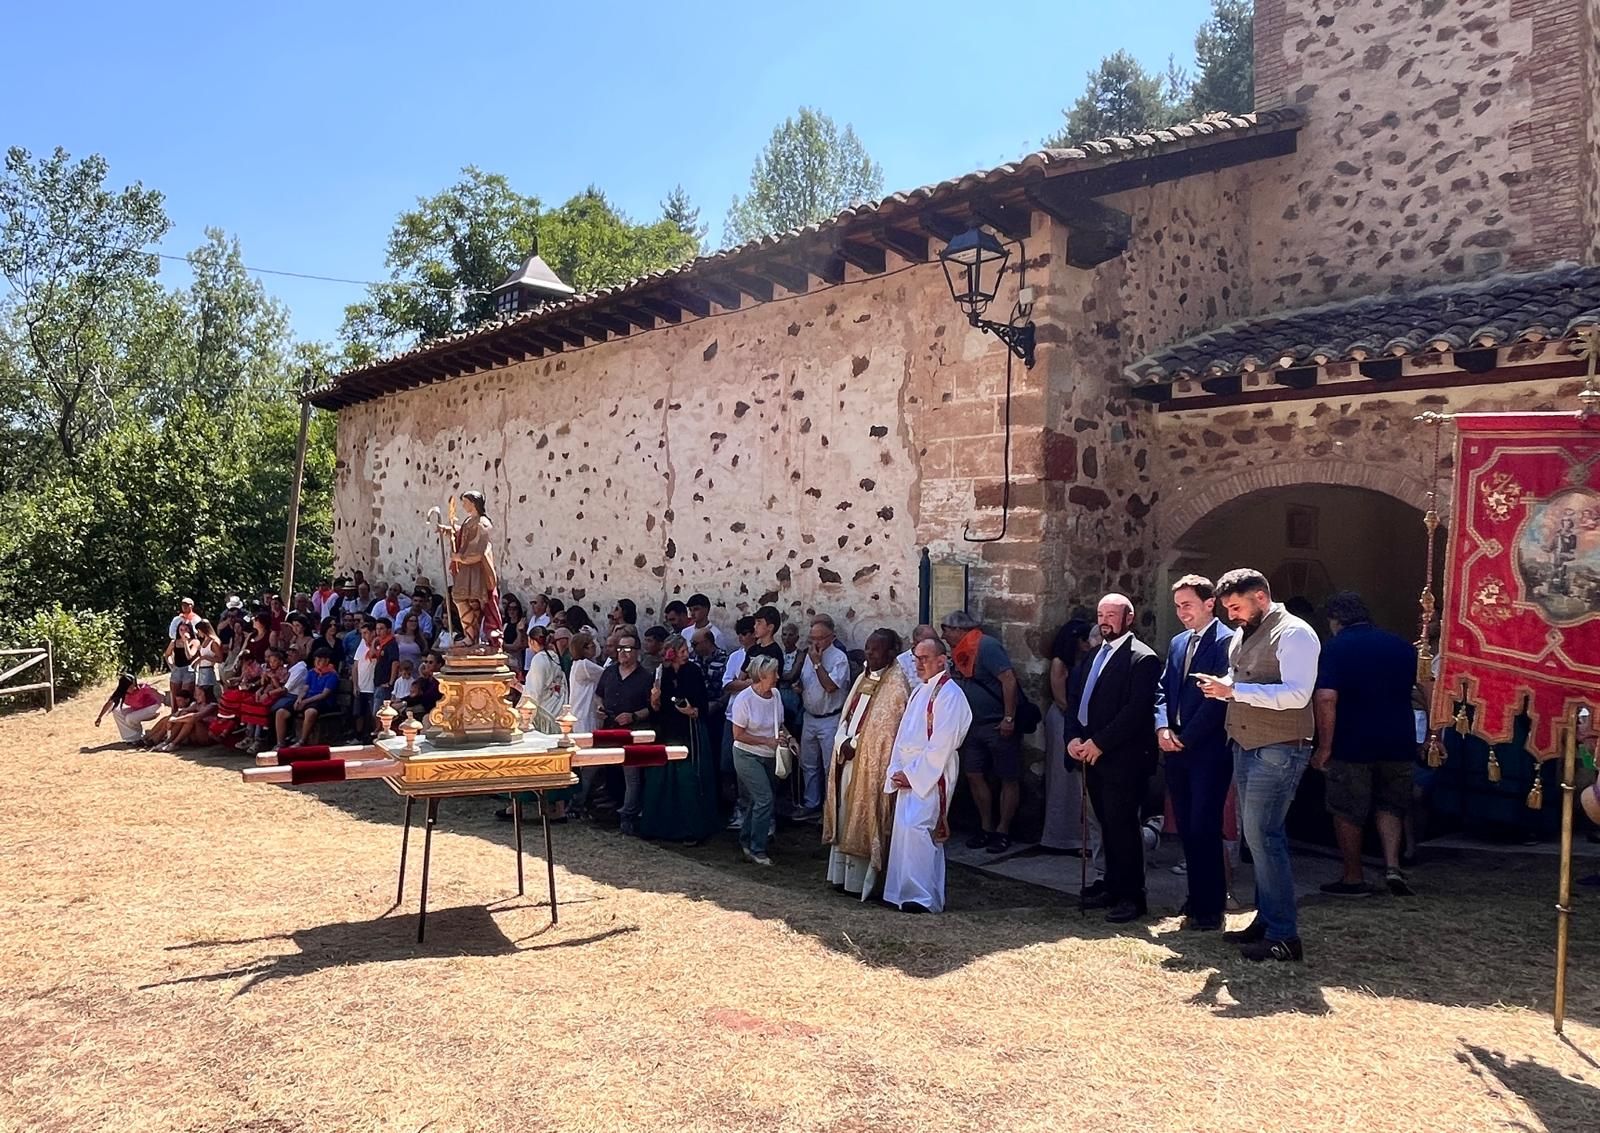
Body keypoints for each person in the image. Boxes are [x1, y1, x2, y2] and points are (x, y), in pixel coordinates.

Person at [1198, 568, 1321, 963]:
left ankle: (1285, 935)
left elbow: (1299, 694)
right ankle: (1267, 921)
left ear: (1260, 598)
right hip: (1247, 743)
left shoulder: (1295, 633)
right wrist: (1223, 685)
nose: (1232, 615)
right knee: (1258, 838)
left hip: (1280, 747)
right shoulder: (1244, 631)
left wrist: (1234, 690)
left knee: (1265, 837)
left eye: (1236, 606)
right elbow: (1243, 677)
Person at [1312, 591, 1420, 898]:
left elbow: (1326, 698)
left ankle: (1352, 876)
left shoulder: (1335, 648)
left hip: (1352, 742)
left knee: (1347, 810)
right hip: (1399, 738)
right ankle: (1392, 867)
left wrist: (1324, 747)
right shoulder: (1400, 645)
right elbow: (1427, 687)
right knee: (1392, 805)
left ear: (1335, 619)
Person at [1066, 594, 1160, 924]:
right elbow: (1077, 700)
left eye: (1112, 614)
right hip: (1092, 757)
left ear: (1128, 618)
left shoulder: (1142, 659)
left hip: (1122, 759)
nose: (1105, 620)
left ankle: (1132, 897)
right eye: (1101, 614)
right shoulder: (1093, 656)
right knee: (1105, 826)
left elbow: (1135, 712)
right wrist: (1073, 738)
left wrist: (1100, 743)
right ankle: (1111, 886)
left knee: (1124, 828)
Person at [1154, 575, 1237, 931]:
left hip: (1207, 750)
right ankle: (1195, 898)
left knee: (1205, 825)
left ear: (1209, 603)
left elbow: (1218, 701)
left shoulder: (1228, 642)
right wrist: (1162, 727)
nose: (1182, 613)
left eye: (1187, 605)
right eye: (1177, 606)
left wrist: (1187, 737)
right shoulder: (1177, 643)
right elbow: (1163, 689)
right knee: (1186, 827)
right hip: (1176, 749)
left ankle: (1211, 906)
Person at [883, 636, 974, 913]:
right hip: (909, 770)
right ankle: (900, 892)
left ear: (941, 660)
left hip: (931, 774)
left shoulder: (951, 695)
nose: (919, 664)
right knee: (904, 832)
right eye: (916, 659)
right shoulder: (920, 690)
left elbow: (942, 743)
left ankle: (922, 896)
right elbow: (904, 734)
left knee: (920, 829)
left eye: (924, 658)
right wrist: (896, 769)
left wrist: (914, 775)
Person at [824, 628, 911, 899]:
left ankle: (861, 881)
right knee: (843, 810)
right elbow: (848, 716)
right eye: (867, 648)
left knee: (863, 816)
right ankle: (841, 877)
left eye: (875, 649)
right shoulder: (863, 677)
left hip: (870, 765)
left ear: (891, 653)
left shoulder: (897, 687)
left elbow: (885, 732)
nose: (869, 653)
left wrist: (856, 745)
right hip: (847, 757)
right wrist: (843, 741)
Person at [941, 610, 1021, 852]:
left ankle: (1003, 830)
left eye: (946, 629)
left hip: (996, 723)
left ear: (958, 630)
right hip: (972, 725)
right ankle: (986, 827)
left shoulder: (986, 646)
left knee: (1008, 776)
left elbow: (1008, 679)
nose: (944, 635)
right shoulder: (958, 653)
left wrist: (1009, 717)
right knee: (974, 774)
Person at [641, 634, 721, 842]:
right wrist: (654, 700)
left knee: (689, 779)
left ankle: (691, 829)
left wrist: (692, 711)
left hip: (689, 729)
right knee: (660, 779)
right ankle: (659, 827)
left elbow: (702, 703)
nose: (687, 653)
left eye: (686, 649)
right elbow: (655, 708)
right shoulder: (661, 672)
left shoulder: (693, 672)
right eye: (682, 650)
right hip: (666, 730)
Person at [1042, 618, 1098, 856]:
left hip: (1077, 721)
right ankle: (1062, 837)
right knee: (1063, 779)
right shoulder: (1059, 662)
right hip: (1064, 721)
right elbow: (1062, 699)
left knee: (1078, 783)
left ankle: (1081, 836)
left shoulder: (1084, 661)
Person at [595, 629, 654, 835]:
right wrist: (600, 708)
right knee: (608, 771)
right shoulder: (610, 672)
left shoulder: (646, 677)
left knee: (632, 776)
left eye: (628, 649)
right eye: (620, 649)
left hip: (632, 731)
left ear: (637, 652)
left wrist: (633, 716)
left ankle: (628, 816)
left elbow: (652, 708)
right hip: (610, 728)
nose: (623, 653)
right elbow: (599, 695)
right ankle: (609, 808)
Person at [730, 656, 788, 865]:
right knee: (765, 799)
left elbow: (779, 725)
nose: (778, 677)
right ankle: (758, 849)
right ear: (762, 676)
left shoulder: (776, 695)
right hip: (746, 755)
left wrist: (788, 739)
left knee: (758, 800)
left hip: (769, 756)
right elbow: (738, 734)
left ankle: (746, 840)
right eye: (774, 673)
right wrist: (766, 741)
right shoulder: (744, 699)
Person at [796, 614, 851, 820]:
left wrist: (818, 663)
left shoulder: (839, 658)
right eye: (812, 638)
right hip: (810, 716)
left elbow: (829, 686)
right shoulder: (809, 656)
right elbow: (806, 681)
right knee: (808, 763)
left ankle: (831, 809)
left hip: (830, 718)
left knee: (830, 766)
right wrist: (799, 687)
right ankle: (811, 803)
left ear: (831, 637)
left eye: (819, 638)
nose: (815, 643)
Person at [440, 491, 502, 645]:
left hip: (477, 570)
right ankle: (471, 637)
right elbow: (464, 535)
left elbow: (479, 550)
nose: (463, 505)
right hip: (467, 570)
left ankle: (473, 637)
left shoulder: (483, 523)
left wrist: (459, 558)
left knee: (472, 601)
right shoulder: (470, 520)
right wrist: (450, 531)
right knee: (463, 599)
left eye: (465, 502)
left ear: (474, 503)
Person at [719, 616, 758, 827]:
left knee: (748, 768)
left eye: (747, 633)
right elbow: (726, 684)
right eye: (740, 634)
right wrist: (749, 683)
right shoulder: (735, 657)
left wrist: (739, 683)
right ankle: (737, 806)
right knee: (728, 765)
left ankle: (749, 809)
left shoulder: (763, 656)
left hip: (753, 718)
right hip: (732, 715)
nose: (743, 638)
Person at [97, 673, 165, 744]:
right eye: (130, 687)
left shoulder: (143, 688)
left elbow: (157, 693)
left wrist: (160, 704)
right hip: (139, 709)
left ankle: (140, 736)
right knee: (116, 710)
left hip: (153, 708)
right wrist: (99, 717)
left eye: (134, 685)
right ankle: (132, 737)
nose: (134, 688)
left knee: (129, 718)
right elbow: (109, 703)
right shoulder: (121, 693)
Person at [164, 622, 199, 707]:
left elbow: (189, 656)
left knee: (186, 697)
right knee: (175, 698)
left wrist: (186, 642)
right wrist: (171, 665)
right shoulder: (174, 642)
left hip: (188, 670)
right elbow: (167, 654)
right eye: (181, 630)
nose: (183, 632)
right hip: (177, 670)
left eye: (186, 629)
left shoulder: (195, 642)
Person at [897, 625, 938, 689]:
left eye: (935, 640)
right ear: (916, 642)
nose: (932, 644)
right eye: (927, 641)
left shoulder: (939, 658)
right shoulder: (901, 661)